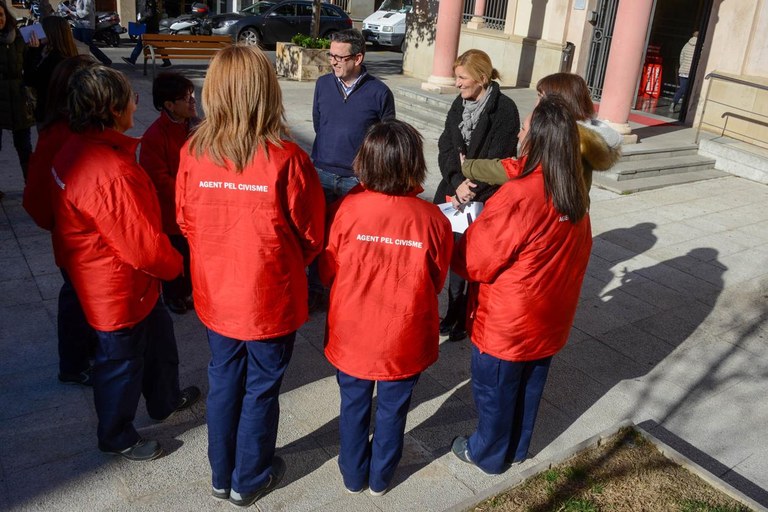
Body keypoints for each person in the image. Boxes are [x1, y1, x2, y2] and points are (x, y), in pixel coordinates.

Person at [176, 45, 325, 507]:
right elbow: (311, 234)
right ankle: (249, 476)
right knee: (261, 387)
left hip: (218, 294)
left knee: (224, 379)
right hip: (268, 299)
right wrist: (279, 261)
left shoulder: (193, 151)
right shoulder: (286, 158)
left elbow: (184, 221)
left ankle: (223, 474)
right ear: (266, 91)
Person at [51, 65, 200, 462]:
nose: (136, 103)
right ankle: (116, 434)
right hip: (118, 287)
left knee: (160, 342)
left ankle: (165, 399)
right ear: (114, 108)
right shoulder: (110, 171)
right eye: (130, 97)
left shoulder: (76, 146)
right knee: (119, 363)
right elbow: (144, 248)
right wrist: (178, 267)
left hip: (118, 280)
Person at [450, 95, 593, 475]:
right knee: (529, 388)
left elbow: (474, 261)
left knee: (494, 392)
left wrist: (455, 238)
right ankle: (517, 448)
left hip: (508, 322)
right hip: (549, 316)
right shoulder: (574, 191)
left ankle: (488, 454)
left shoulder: (520, 194)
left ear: (539, 140)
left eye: (526, 128)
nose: (519, 131)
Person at [319, 119, 453, 496]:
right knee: (394, 410)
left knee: (353, 405)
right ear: (413, 163)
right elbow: (437, 279)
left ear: (367, 161)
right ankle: (381, 477)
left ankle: (352, 474)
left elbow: (328, 270)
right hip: (404, 336)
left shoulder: (348, 209)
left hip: (353, 332)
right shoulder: (432, 220)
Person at [433, 49, 519, 342]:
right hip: (454, 196)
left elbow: (500, 161)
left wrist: (469, 191)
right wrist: (456, 182)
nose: (456, 83)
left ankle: (470, 318)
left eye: (461, 77)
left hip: (485, 199)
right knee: (455, 258)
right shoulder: (459, 105)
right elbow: (446, 148)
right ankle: (453, 313)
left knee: (477, 260)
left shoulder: (505, 110)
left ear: (482, 78)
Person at [307, 28, 396, 311]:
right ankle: (315, 292)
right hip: (321, 172)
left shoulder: (380, 92)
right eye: (330, 55)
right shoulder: (322, 84)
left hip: (357, 180)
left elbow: (386, 137)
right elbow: (318, 123)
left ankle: (343, 295)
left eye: (339, 57)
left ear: (358, 57)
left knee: (352, 242)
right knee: (318, 238)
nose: (333, 61)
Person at [24, 54, 98, 386]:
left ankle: (84, 354)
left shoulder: (71, 131)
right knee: (76, 299)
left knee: (82, 299)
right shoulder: (60, 135)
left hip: (77, 239)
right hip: (76, 241)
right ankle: (73, 363)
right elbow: (36, 199)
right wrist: (63, 224)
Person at [462, 72, 622, 195]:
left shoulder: (563, 136)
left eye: (540, 96)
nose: (536, 103)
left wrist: (469, 166)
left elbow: (523, 169)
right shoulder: (580, 134)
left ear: (560, 101)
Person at [140, 72, 197, 314]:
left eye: (192, 96)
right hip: (172, 211)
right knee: (177, 255)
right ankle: (175, 295)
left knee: (193, 256)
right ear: (169, 105)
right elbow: (159, 179)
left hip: (196, 207)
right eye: (186, 98)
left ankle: (189, 291)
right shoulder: (155, 136)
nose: (193, 101)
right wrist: (191, 192)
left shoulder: (195, 125)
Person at [0, 0, 35, 186]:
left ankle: (30, 184)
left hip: (19, 97)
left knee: (24, 145)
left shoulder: (19, 38)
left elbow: (30, 66)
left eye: (1, 15)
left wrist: (36, 50)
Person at [24, 16, 80, 123]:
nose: (38, 32)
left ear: (52, 32)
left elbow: (31, 79)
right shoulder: (46, 51)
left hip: (53, 116)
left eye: (42, 29)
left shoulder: (57, 59)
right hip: (50, 113)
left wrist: (32, 52)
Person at [122, 0, 171, 68]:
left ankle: (132, 59)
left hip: (150, 27)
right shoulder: (143, 1)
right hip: (149, 27)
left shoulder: (148, 1)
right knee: (156, 44)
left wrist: (141, 20)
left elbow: (149, 13)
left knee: (142, 43)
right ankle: (167, 61)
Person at [69, 0, 112, 66]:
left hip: (87, 26)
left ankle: (106, 60)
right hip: (78, 25)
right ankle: (79, 61)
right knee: (76, 44)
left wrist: (73, 13)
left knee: (88, 45)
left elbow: (86, 12)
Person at [670, 31, 698, 113]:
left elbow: (681, 57)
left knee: (682, 88)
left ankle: (674, 103)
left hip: (683, 71)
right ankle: (684, 106)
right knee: (689, 90)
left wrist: (682, 66)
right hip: (692, 72)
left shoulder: (686, 45)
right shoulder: (700, 46)